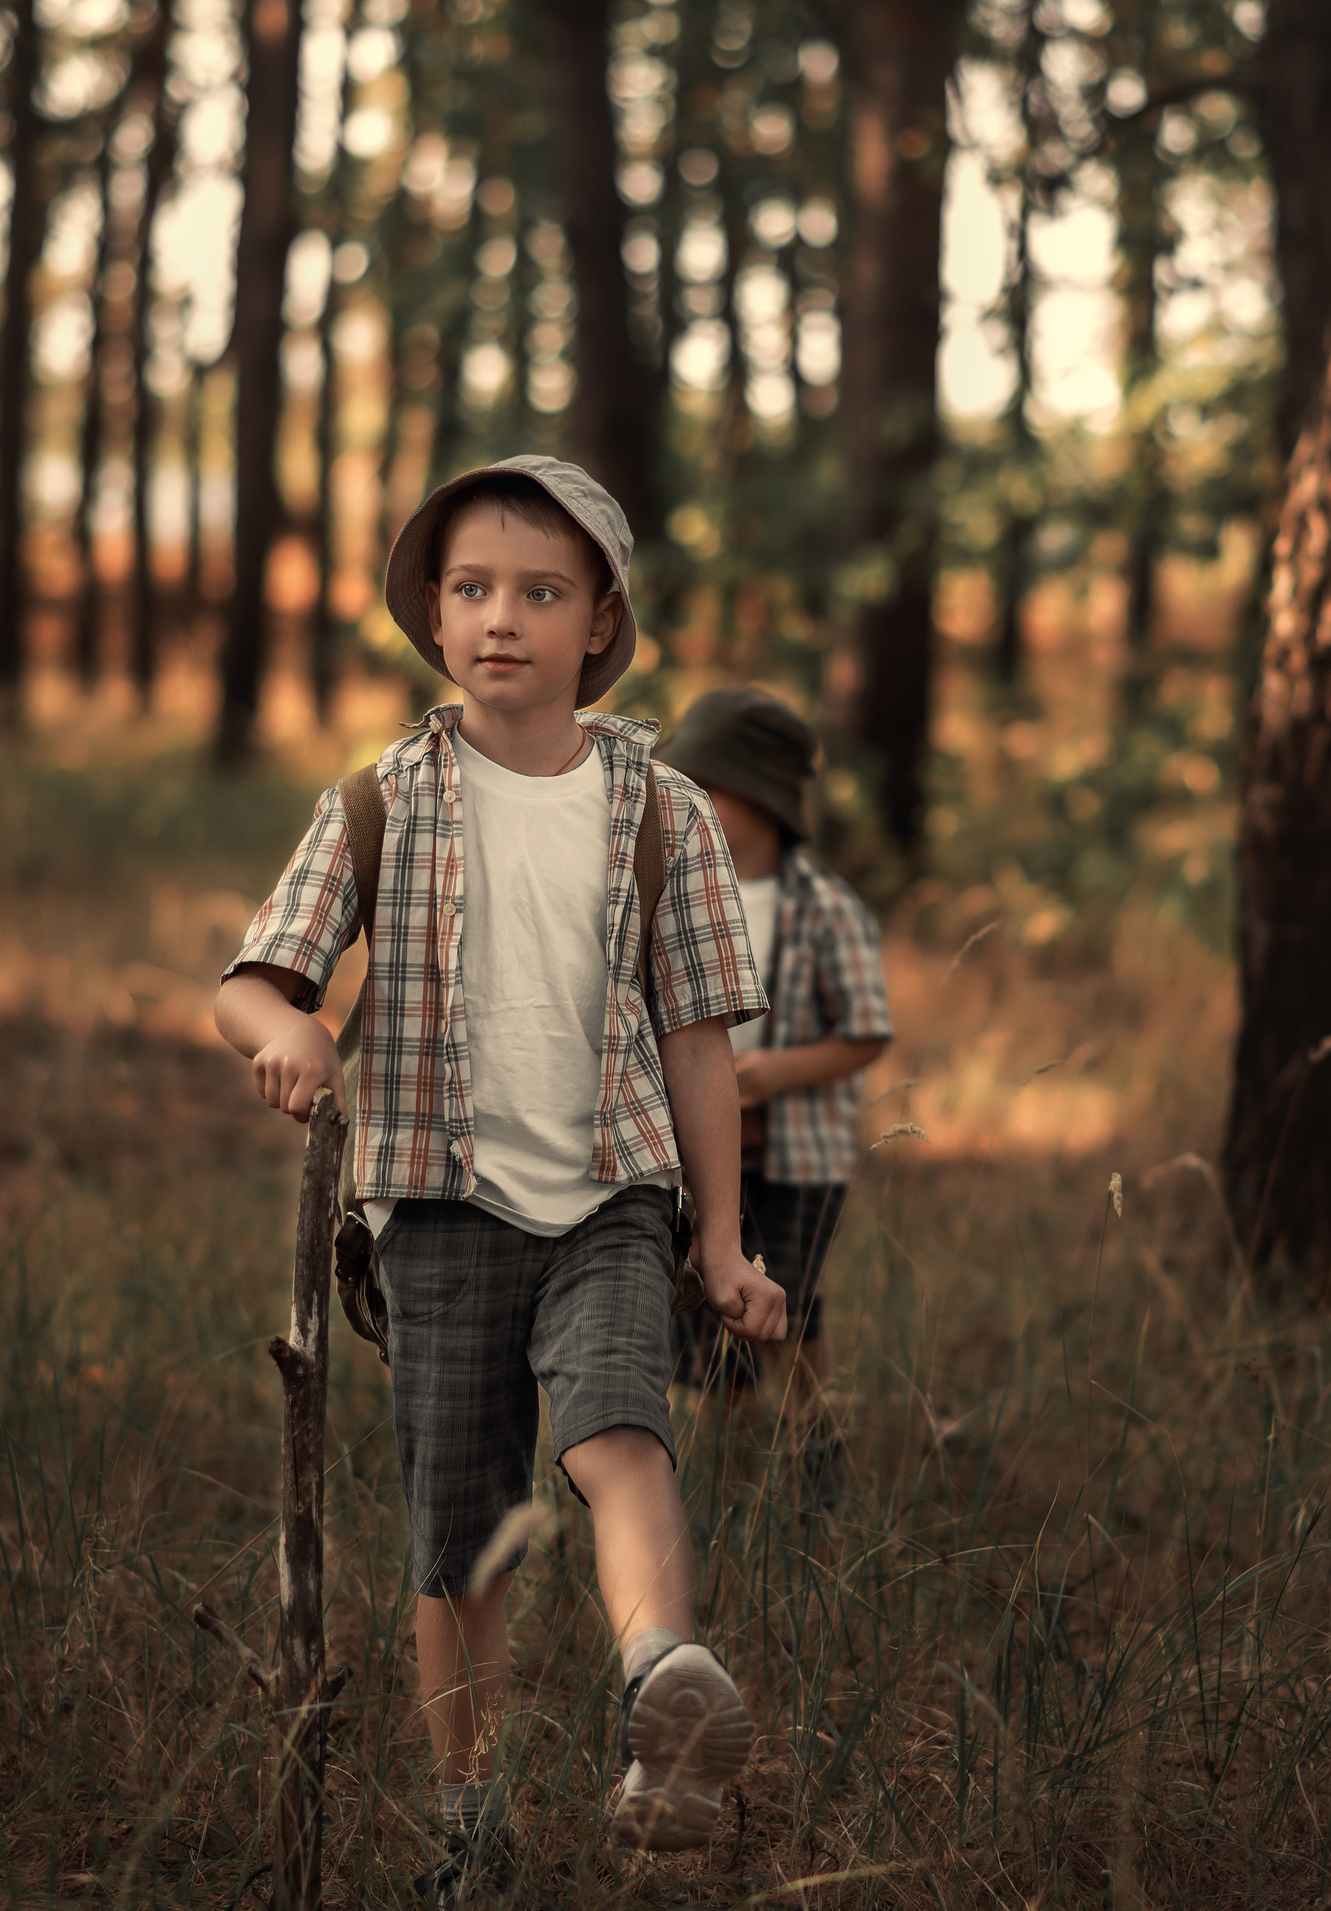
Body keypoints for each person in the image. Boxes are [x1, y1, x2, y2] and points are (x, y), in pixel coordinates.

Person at [214, 455, 785, 1900]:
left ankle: (663, 1685)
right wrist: (286, 1029)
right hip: (435, 1207)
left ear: (600, 621)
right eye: (471, 587)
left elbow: (701, 1042)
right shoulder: (381, 800)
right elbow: (250, 980)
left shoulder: (664, 813)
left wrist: (722, 1241)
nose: (501, 618)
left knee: (620, 1434)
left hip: (613, 1191)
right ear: (432, 610)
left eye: (540, 591)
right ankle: (469, 1811)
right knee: (460, 1538)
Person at [655, 688, 893, 1513]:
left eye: (703, 787)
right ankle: (721, 1461)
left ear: (757, 796)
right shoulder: (675, 893)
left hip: (796, 1157)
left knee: (786, 1297)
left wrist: (773, 1072)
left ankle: (813, 1454)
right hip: (698, 1145)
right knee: (699, 1295)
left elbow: (865, 1032)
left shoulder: (824, 907)